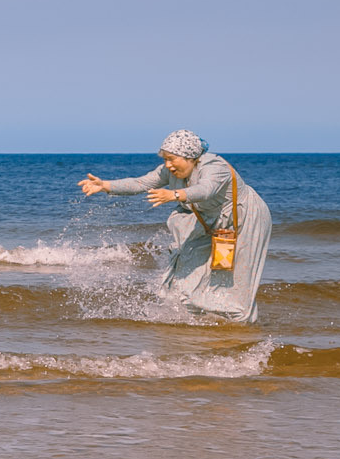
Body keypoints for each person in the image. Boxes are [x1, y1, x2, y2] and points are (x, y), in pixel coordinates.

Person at [78, 129, 270, 321]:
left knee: (236, 282)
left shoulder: (214, 166)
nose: (167, 165)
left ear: (191, 156)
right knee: (186, 271)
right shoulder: (172, 171)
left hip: (245, 217)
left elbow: (206, 190)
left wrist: (174, 195)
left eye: (172, 159)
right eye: (165, 160)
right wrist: (106, 185)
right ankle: (202, 321)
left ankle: (241, 329)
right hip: (211, 220)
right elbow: (141, 183)